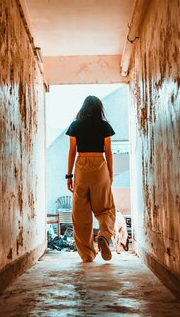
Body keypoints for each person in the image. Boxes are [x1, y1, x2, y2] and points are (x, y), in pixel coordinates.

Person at [65, 95, 116, 262]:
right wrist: (110, 173)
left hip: (81, 166)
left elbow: (72, 151)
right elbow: (108, 151)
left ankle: (87, 255)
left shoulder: (75, 126)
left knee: (80, 213)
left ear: (84, 107)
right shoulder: (104, 126)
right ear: (99, 109)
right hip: (100, 166)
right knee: (105, 208)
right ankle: (104, 236)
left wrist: (69, 176)